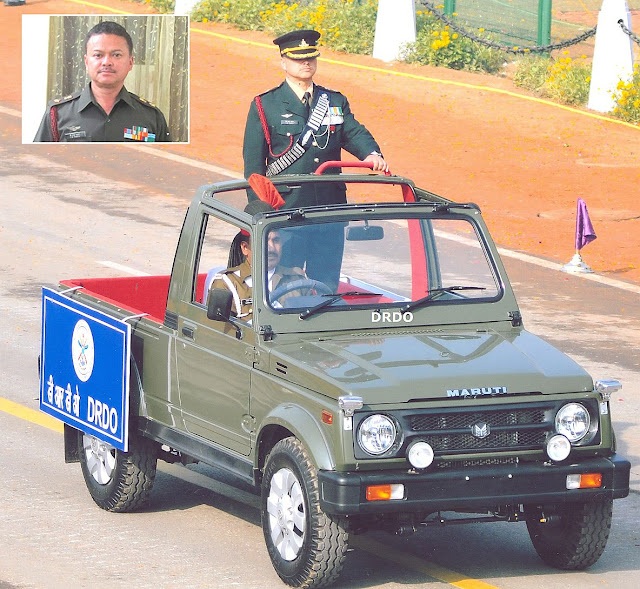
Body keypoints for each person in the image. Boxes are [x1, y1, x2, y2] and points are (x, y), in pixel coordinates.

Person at [242, 29, 388, 287]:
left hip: (329, 210)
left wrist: (372, 153)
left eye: (310, 57)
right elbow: (254, 170)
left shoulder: (334, 101)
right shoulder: (266, 105)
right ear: (283, 62)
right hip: (286, 212)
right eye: (298, 59)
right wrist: (261, 216)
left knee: (326, 282)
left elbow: (352, 132)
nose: (306, 63)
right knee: (286, 281)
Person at [34, 21, 170, 142]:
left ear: (130, 62)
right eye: (98, 55)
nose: (107, 62)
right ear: (87, 62)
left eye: (116, 55)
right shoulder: (58, 114)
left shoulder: (152, 117)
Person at [209, 202, 306, 322]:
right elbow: (220, 334)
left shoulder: (297, 278)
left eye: (276, 240)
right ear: (245, 248)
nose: (271, 247)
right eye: (264, 240)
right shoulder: (228, 284)